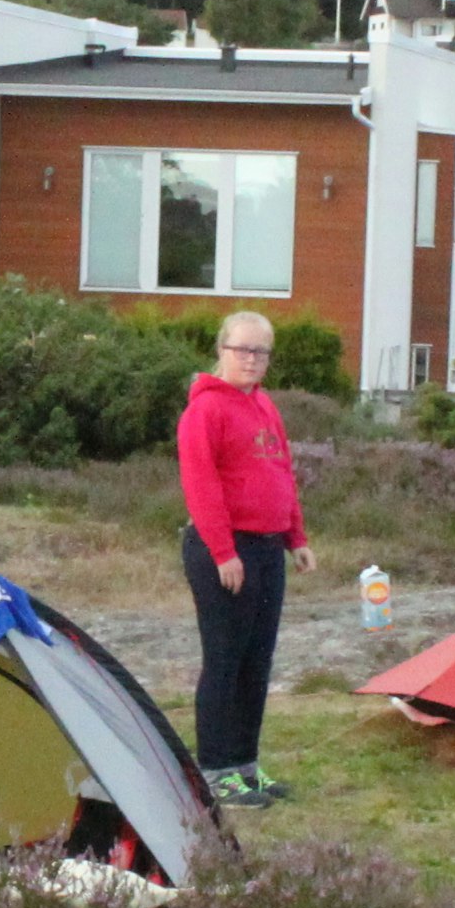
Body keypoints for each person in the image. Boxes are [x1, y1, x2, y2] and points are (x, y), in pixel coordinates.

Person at [176, 309, 308, 806]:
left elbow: (282, 472)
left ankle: (246, 765)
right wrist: (223, 552)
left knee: (257, 662)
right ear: (222, 350)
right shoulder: (204, 411)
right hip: (224, 551)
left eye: (261, 352)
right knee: (225, 661)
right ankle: (216, 772)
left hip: (268, 547)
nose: (252, 360)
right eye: (243, 350)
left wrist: (297, 537)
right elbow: (201, 487)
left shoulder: (265, 407)